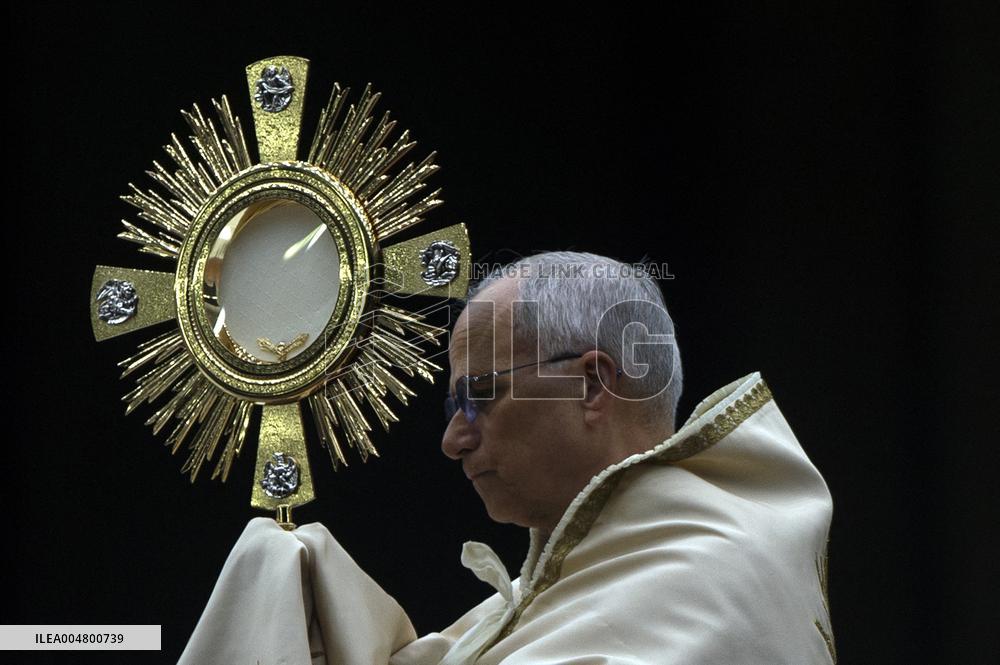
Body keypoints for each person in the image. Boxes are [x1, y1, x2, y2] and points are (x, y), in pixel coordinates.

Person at [179, 251, 836, 664]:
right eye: (452, 406)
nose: (453, 440)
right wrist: (294, 586)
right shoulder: (554, 593)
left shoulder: (709, 580)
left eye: (482, 396)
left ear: (589, 383)